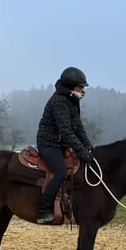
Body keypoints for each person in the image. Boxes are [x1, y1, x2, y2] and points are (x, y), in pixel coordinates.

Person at [35, 66, 94, 224]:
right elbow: (67, 133)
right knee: (60, 171)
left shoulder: (72, 100)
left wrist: (89, 147)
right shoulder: (59, 101)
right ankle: (43, 210)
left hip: (60, 143)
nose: (82, 89)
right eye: (80, 86)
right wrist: (82, 151)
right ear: (70, 86)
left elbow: (78, 126)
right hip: (49, 143)